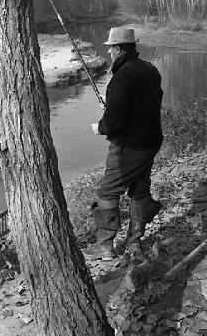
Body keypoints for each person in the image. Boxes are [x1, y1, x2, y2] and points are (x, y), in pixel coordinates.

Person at [85, 27, 163, 260]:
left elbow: (114, 122)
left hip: (129, 146)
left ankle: (105, 246)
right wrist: (113, 108)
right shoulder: (150, 69)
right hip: (151, 141)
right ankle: (134, 243)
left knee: (107, 191)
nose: (109, 53)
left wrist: (101, 127)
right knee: (139, 190)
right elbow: (145, 104)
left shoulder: (122, 76)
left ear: (119, 49)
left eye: (110, 49)